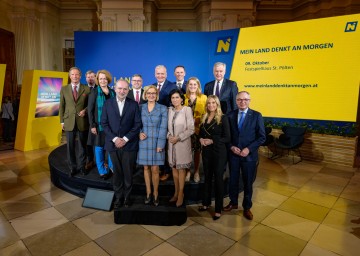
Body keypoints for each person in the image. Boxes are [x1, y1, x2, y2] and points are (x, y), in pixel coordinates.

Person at [224, 91, 265, 220]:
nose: (243, 102)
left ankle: (247, 207)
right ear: (236, 101)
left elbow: (261, 137)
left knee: (248, 183)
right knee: (233, 180)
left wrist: (249, 149)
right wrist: (231, 146)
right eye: (240, 100)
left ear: (249, 100)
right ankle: (233, 202)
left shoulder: (257, 116)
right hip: (234, 155)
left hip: (249, 156)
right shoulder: (230, 115)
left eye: (245, 99)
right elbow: (227, 136)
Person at [101, 79, 141, 208]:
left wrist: (125, 139)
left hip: (129, 145)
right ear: (115, 88)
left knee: (128, 173)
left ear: (128, 90)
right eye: (119, 88)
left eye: (124, 89)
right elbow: (104, 124)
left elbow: (137, 124)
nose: (122, 91)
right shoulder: (107, 104)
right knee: (117, 173)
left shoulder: (134, 104)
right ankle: (119, 197)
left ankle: (127, 198)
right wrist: (115, 139)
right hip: (113, 145)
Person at [198, 95, 230, 220]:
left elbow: (227, 138)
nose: (211, 105)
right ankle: (206, 203)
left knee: (218, 180)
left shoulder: (223, 118)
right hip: (206, 152)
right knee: (207, 178)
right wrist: (200, 139)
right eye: (209, 103)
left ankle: (218, 209)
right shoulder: (204, 117)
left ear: (217, 104)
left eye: (213, 103)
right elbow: (200, 133)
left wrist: (212, 141)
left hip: (218, 153)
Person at [137, 85, 168, 206]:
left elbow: (163, 127)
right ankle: (148, 193)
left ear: (156, 95)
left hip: (157, 142)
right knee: (145, 168)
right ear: (145, 95)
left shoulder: (163, 108)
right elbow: (136, 124)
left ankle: (156, 193)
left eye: (153, 93)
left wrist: (160, 144)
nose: (151, 95)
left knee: (155, 169)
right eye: (149, 93)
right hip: (143, 142)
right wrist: (139, 133)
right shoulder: (140, 108)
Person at [59, 67, 90, 177]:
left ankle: (82, 167)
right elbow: (61, 106)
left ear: (80, 76)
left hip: (82, 121)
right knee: (70, 146)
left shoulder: (86, 89)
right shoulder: (64, 89)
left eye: (77, 74)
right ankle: (72, 167)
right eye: (73, 74)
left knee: (82, 146)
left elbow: (90, 105)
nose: (75, 76)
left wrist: (85, 111)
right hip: (69, 121)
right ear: (69, 76)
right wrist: (61, 121)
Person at [167, 89, 194, 207]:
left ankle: (181, 194)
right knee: (174, 169)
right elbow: (166, 129)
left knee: (181, 170)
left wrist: (178, 138)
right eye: (173, 98)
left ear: (182, 99)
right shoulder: (169, 111)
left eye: (177, 97)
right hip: (171, 145)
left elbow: (191, 129)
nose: (175, 100)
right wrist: (169, 136)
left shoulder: (187, 110)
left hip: (182, 144)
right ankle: (176, 192)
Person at [87, 70, 115, 180]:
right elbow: (90, 110)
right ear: (97, 80)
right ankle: (102, 171)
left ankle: (112, 168)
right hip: (98, 126)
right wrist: (92, 125)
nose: (103, 80)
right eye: (100, 79)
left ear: (108, 79)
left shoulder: (112, 92)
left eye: (105, 78)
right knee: (99, 148)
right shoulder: (94, 92)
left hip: (111, 126)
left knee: (111, 147)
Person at [153, 65, 177, 181]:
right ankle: (160, 168)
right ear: (155, 74)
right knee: (158, 147)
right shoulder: (152, 87)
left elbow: (175, 104)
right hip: (154, 124)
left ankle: (167, 171)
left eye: (162, 74)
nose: (160, 76)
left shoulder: (172, 86)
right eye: (158, 73)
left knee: (166, 147)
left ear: (166, 74)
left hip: (167, 122)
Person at [184, 77, 207, 183]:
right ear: (188, 86)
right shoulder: (183, 97)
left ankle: (196, 171)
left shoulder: (204, 97)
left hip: (198, 129)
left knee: (197, 151)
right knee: (187, 151)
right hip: (185, 130)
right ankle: (188, 171)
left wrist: (198, 120)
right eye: (190, 84)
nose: (192, 86)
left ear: (198, 86)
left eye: (195, 84)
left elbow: (207, 114)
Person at [85, 70, 97, 170]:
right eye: (88, 77)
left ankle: (99, 161)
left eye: (92, 77)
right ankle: (89, 160)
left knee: (96, 141)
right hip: (84, 120)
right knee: (87, 142)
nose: (90, 79)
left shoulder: (99, 89)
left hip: (95, 119)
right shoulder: (83, 89)